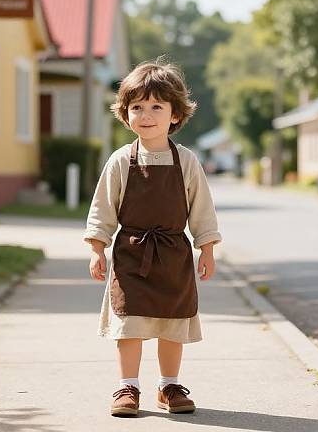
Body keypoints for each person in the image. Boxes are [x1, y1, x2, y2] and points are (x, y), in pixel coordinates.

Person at [83, 58, 222, 417]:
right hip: (131, 254)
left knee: (171, 324)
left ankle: (169, 385)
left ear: (175, 114)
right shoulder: (120, 161)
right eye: (137, 107)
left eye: (156, 106)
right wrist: (97, 248)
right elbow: (103, 208)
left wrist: (206, 248)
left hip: (174, 254)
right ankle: (127, 386)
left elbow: (201, 209)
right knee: (128, 322)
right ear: (125, 113)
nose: (146, 114)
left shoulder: (187, 161)